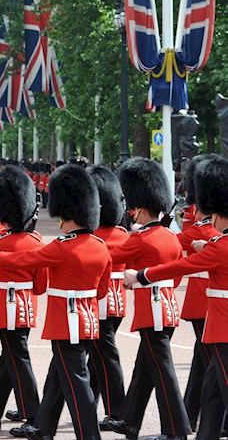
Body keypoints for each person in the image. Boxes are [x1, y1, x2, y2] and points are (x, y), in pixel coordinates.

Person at [0, 163, 109, 440]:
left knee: (76, 382)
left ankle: (89, 435)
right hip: (88, 321)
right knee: (57, 376)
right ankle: (43, 428)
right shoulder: (100, 247)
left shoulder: (62, 248)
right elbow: (101, 291)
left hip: (65, 322)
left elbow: (22, 260)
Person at [123, 155, 228, 439]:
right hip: (216, 324)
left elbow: (182, 266)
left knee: (221, 387)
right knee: (212, 389)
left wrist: (143, 275)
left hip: (221, 325)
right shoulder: (215, 243)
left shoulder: (219, 246)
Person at [107, 158, 191, 439]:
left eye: (132, 209)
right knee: (144, 368)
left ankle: (176, 430)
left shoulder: (141, 238)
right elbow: (176, 277)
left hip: (151, 310)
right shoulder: (169, 236)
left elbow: (109, 256)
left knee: (163, 373)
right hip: (166, 307)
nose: (130, 213)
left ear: (141, 209)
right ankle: (129, 421)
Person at [0, 165, 46, 435]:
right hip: (28, 305)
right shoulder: (36, 241)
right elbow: (41, 286)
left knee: (18, 358)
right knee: (11, 356)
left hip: (5, 306)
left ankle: (33, 415)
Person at [173, 155, 222, 431]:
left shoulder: (204, 230)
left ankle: (194, 419)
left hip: (207, 302)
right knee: (203, 362)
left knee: (210, 366)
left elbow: (173, 246)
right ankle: (189, 417)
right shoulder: (207, 227)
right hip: (206, 301)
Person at [86, 165, 129, 430]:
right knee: (98, 357)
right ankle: (88, 404)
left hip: (99, 303)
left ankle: (117, 411)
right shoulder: (123, 235)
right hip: (118, 301)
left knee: (105, 356)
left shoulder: (94, 239)